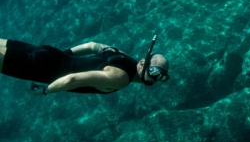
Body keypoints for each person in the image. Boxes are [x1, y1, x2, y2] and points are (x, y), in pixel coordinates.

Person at [0, 37, 169, 95]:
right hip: (41, 67)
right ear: (142, 62)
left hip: (49, 53)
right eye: (154, 72)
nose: (155, 79)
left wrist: (64, 54)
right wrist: (45, 91)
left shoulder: (122, 55)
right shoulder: (120, 79)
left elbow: (92, 45)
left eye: (161, 77)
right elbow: (72, 79)